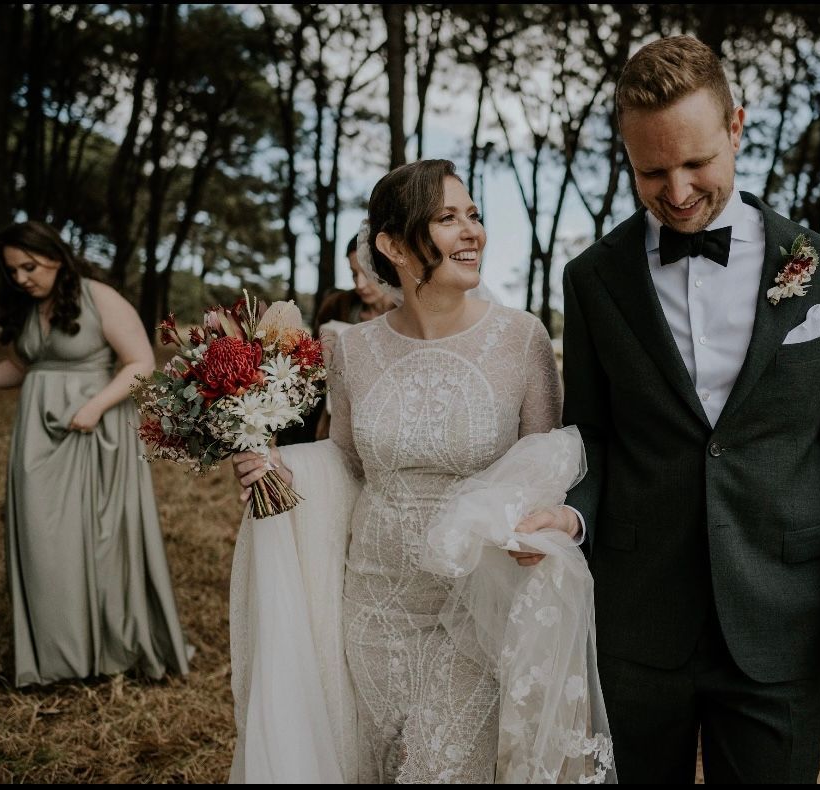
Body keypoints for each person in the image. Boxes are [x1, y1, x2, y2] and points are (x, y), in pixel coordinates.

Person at [561, 35, 820, 783]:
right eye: (650, 170)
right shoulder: (591, 280)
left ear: (736, 127)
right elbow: (589, 435)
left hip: (780, 616)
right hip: (635, 616)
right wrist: (571, 517)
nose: (677, 190)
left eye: (695, 163)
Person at [228, 160, 613, 783]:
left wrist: (542, 523)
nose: (473, 233)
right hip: (377, 604)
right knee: (386, 764)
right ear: (394, 245)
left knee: (446, 767)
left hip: (477, 603)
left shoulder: (523, 340)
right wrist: (280, 466)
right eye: (447, 219)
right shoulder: (350, 349)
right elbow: (349, 463)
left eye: (474, 216)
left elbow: (548, 463)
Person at [0, 220, 192, 688]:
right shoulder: (30, 306)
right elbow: (19, 366)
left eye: (29, 267)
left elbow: (140, 362)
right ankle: (56, 655)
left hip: (95, 430)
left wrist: (94, 407)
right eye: (12, 271)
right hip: (38, 435)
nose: (21, 278)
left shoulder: (100, 297)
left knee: (98, 541)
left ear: (56, 256)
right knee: (42, 541)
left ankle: (103, 653)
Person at [277, 236, 396, 446]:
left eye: (367, 274)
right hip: (329, 411)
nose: (359, 284)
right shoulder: (337, 305)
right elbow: (312, 363)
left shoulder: (407, 315)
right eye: (353, 274)